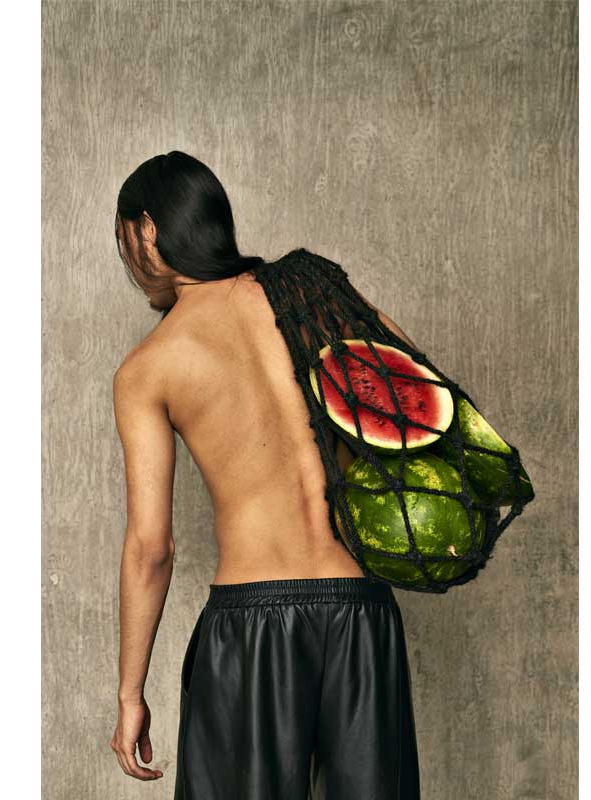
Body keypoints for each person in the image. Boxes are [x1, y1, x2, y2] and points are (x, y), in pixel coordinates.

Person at [108, 151, 421, 799]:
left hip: (252, 629)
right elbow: (416, 403)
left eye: (127, 244)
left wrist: (130, 693)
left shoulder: (153, 364)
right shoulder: (316, 297)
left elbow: (151, 548)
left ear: (146, 231)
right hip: (361, 614)